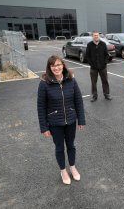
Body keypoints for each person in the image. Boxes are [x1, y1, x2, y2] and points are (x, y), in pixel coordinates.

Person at [37, 55, 85, 185]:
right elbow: (41, 107)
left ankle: (73, 167)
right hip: (55, 123)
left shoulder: (71, 79)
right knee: (59, 147)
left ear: (63, 65)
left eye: (58, 65)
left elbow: (78, 101)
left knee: (71, 145)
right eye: (53, 66)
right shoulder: (44, 83)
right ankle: (63, 170)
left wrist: (81, 120)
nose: (56, 68)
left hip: (70, 120)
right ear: (50, 68)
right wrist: (44, 127)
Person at [86, 31, 112, 102]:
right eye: (94, 35)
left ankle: (106, 94)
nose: (96, 37)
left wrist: (105, 63)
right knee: (93, 82)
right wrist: (91, 64)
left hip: (102, 67)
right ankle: (94, 96)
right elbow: (87, 56)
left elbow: (107, 55)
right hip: (93, 68)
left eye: (97, 35)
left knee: (105, 81)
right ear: (92, 36)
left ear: (99, 36)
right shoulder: (89, 45)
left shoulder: (103, 44)